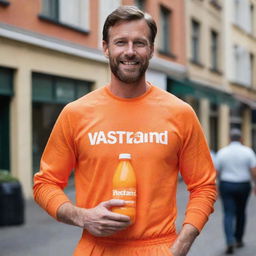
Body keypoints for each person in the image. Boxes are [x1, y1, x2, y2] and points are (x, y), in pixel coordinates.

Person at [33, 6, 217, 256]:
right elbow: (45, 183)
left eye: (139, 43)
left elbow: (203, 185)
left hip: (159, 248)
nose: (130, 52)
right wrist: (80, 216)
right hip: (95, 248)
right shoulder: (76, 113)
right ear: (106, 47)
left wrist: (181, 245)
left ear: (151, 49)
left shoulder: (180, 113)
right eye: (121, 42)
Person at [215, 128, 256, 254]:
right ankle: (238, 239)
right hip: (243, 185)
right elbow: (253, 170)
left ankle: (229, 240)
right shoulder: (248, 151)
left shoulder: (222, 152)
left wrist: (216, 188)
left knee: (228, 213)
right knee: (241, 212)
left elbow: (216, 172)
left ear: (229, 138)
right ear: (241, 139)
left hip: (226, 185)